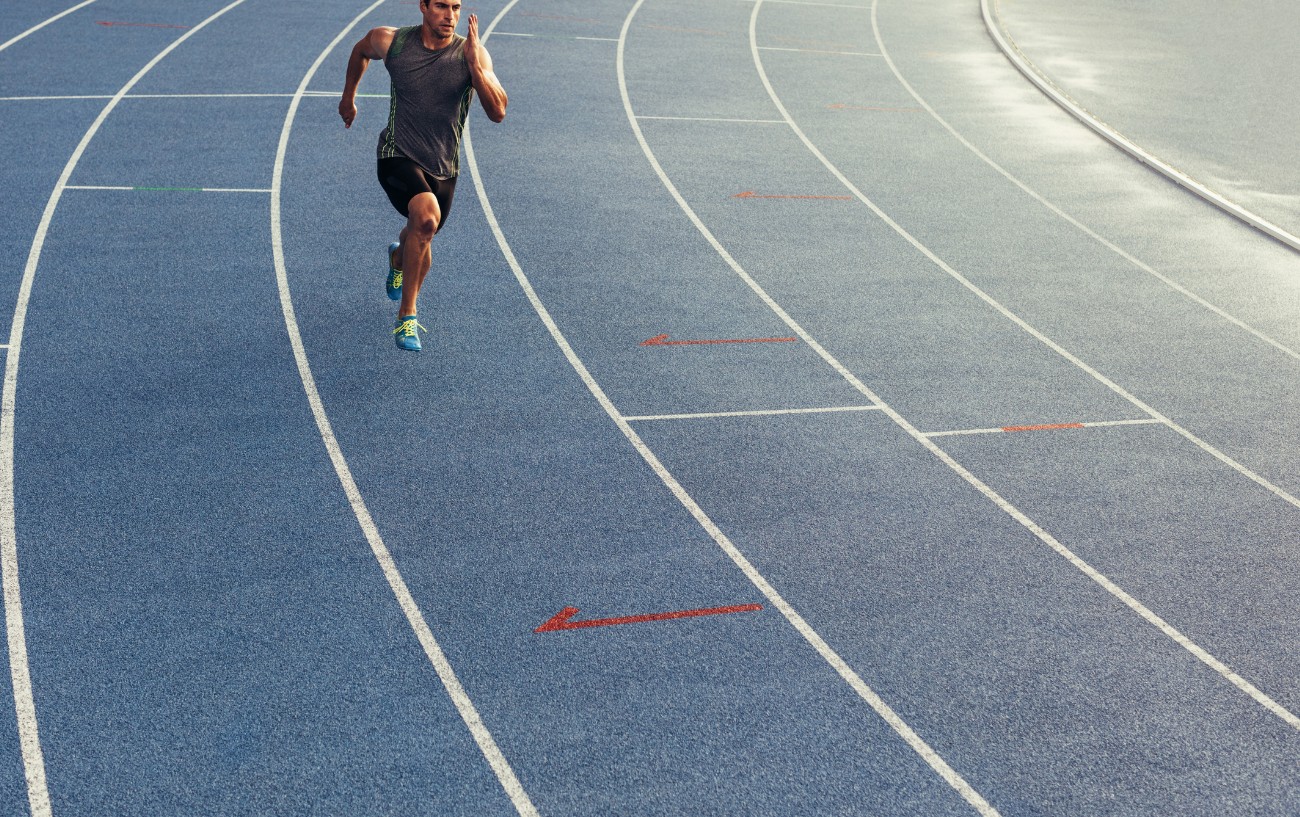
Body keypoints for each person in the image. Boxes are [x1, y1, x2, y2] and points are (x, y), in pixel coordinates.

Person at [339, 0, 507, 352]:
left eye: (457, 7)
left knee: (422, 233)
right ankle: (407, 318)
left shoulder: (471, 54)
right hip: (396, 155)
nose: (450, 16)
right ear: (423, 6)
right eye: (442, 6)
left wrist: (476, 68)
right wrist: (348, 97)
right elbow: (360, 51)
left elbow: (498, 112)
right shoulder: (393, 42)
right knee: (427, 218)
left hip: (444, 167)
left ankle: (398, 258)